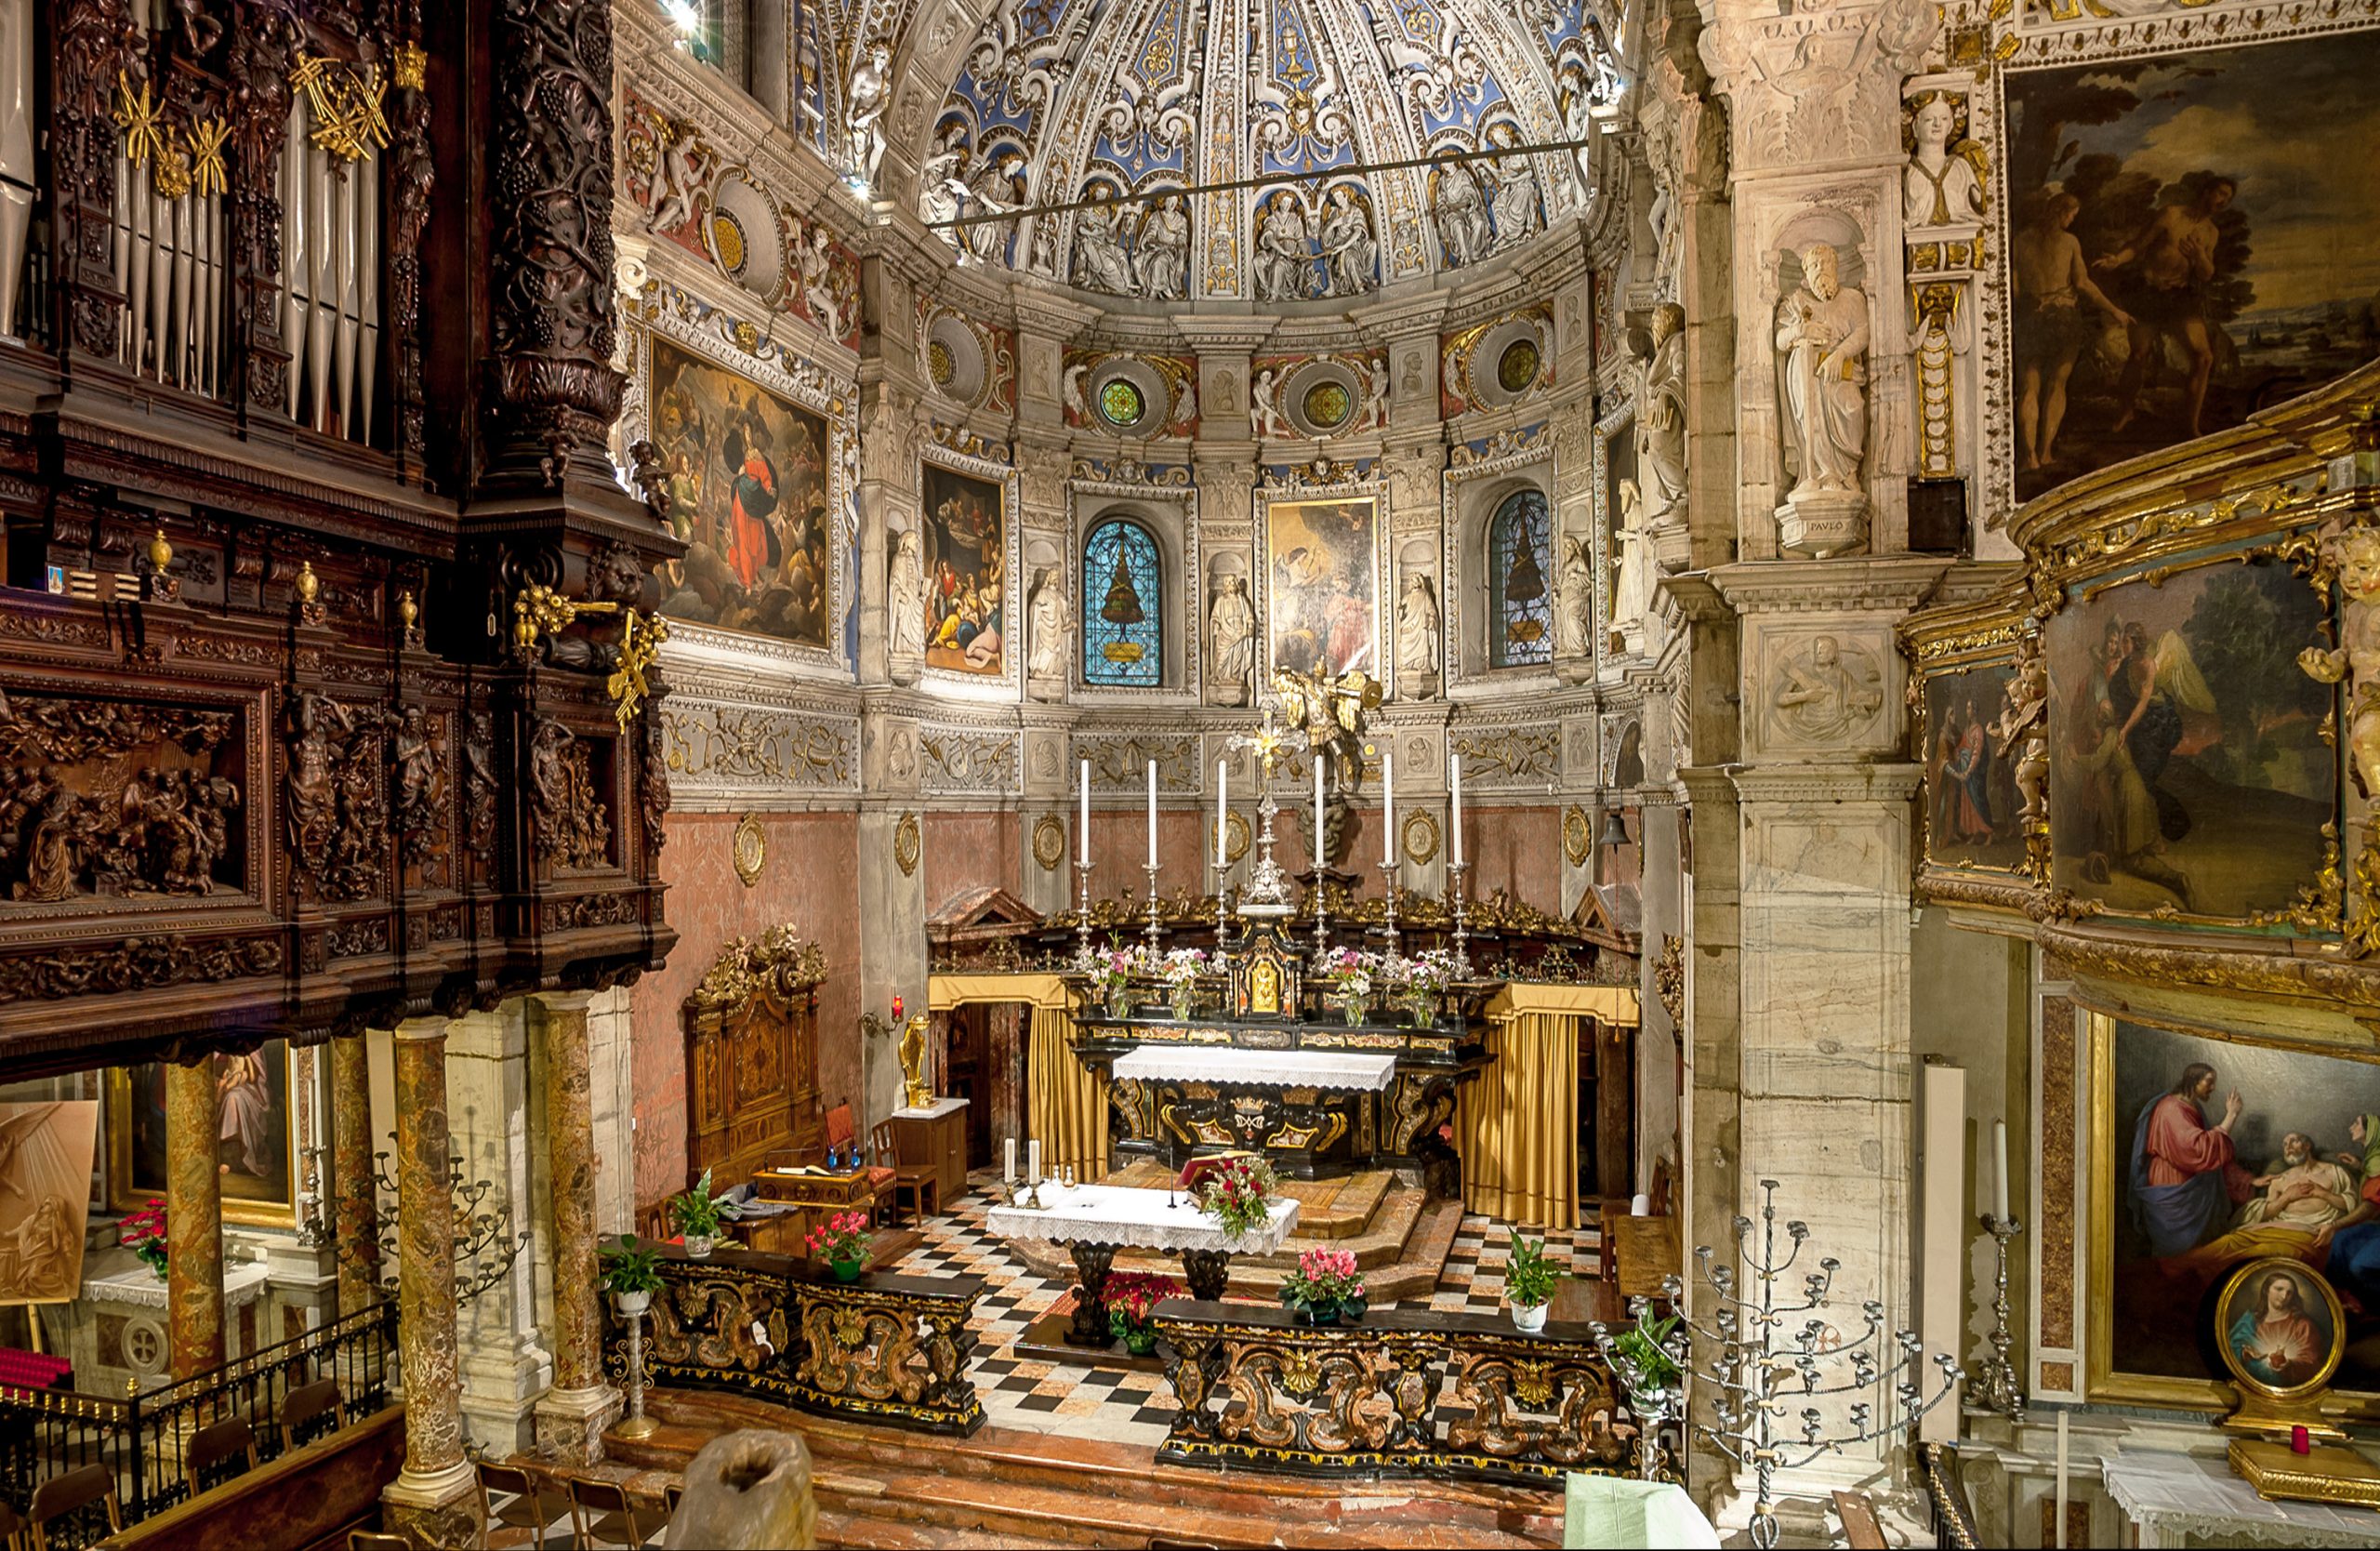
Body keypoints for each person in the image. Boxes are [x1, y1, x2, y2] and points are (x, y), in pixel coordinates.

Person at [2096, 177, 2236, 441]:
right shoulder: (2171, 214)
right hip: (2148, 292)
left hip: (2180, 297)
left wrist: (2199, 257)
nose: (2223, 201)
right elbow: (2138, 246)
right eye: (2221, 194)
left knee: (2204, 357)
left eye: (2228, 199)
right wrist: (2116, 259)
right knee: (2139, 355)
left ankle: (2190, 425)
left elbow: (2206, 275)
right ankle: (2126, 411)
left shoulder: (2211, 233)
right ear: (2206, 191)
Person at [2011, 191, 2131, 472]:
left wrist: (2034, 301)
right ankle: (2046, 451)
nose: (2072, 221)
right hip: (2064, 320)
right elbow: (2084, 284)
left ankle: (2030, 457)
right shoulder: (2069, 242)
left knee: (2030, 385)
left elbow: (2015, 289)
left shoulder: (2019, 241)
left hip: (2032, 319)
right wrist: (2115, 311)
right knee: (2058, 384)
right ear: (2061, 212)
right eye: (2071, 215)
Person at [2129, 1061, 2252, 1257]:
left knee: (2195, 1254)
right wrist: (2231, 1115)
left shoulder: (2191, 1107)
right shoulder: (2171, 1109)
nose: (2213, 1088)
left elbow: (2213, 1155)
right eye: (2209, 1082)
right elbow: (2198, 1149)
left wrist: (2249, 1180)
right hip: (2172, 1180)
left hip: (2188, 1179)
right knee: (2177, 1253)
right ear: (2193, 1080)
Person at [2228, 1271, 2323, 1388]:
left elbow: (2312, 1364)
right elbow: (2231, 1347)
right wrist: (2245, 1353)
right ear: (2266, 1290)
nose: (2284, 1296)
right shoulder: (2250, 1320)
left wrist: (2289, 1364)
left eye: (2289, 1293)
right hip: (2249, 1386)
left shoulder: (2303, 1325)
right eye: (2279, 1289)